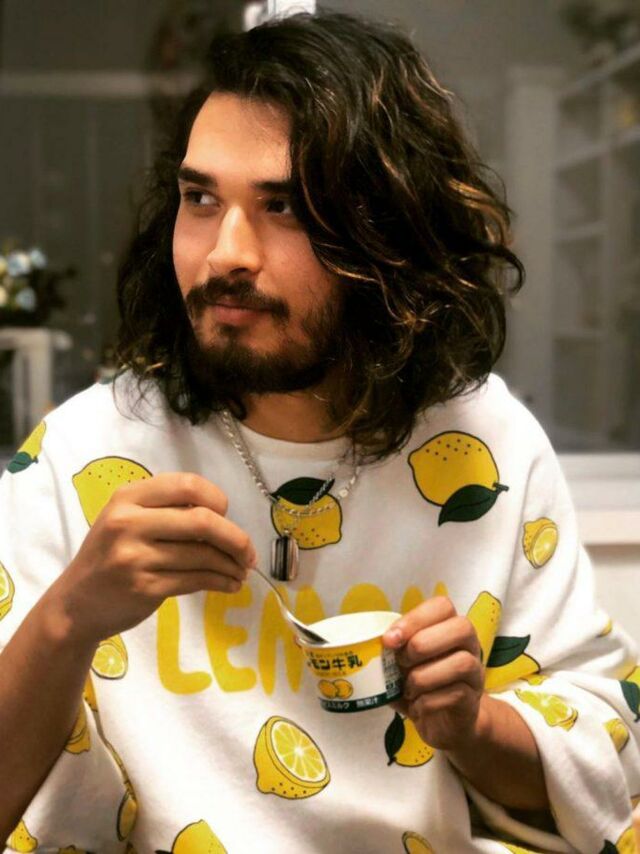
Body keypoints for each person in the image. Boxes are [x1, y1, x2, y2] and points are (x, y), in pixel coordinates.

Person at [0, 10, 638, 853]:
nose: (226, 253)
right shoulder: (82, 454)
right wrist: (71, 614)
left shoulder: (490, 451)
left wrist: (472, 723)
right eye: (201, 199)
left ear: (390, 237)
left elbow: (604, 769)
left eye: (286, 207)